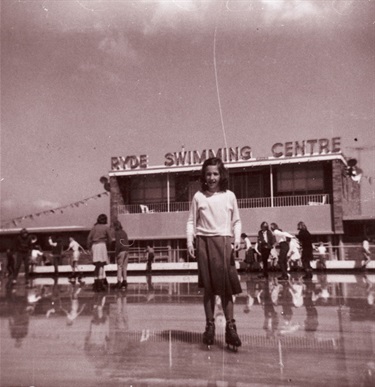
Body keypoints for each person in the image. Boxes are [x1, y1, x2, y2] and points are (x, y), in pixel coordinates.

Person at [186, 157, 242, 350]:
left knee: (226, 289)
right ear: (204, 175)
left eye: (215, 173)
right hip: (204, 242)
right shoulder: (198, 197)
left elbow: (236, 221)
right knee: (209, 289)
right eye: (208, 174)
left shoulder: (229, 196)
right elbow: (191, 221)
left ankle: (230, 327)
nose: (212, 177)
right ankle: (210, 326)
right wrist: (189, 240)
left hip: (224, 242)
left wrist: (237, 237)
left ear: (222, 175)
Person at [87, 214, 112, 292]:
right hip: (102, 245)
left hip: (94, 245)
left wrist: (88, 247)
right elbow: (110, 239)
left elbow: (89, 238)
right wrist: (108, 246)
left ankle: (96, 282)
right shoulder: (106, 228)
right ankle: (100, 284)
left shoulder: (94, 228)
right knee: (101, 264)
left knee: (96, 265)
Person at [113, 220, 130, 289]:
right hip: (127, 249)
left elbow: (118, 243)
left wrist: (116, 252)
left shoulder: (117, 233)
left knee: (119, 266)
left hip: (121, 250)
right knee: (124, 267)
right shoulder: (124, 232)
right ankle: (125, 281)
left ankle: (119, 281)